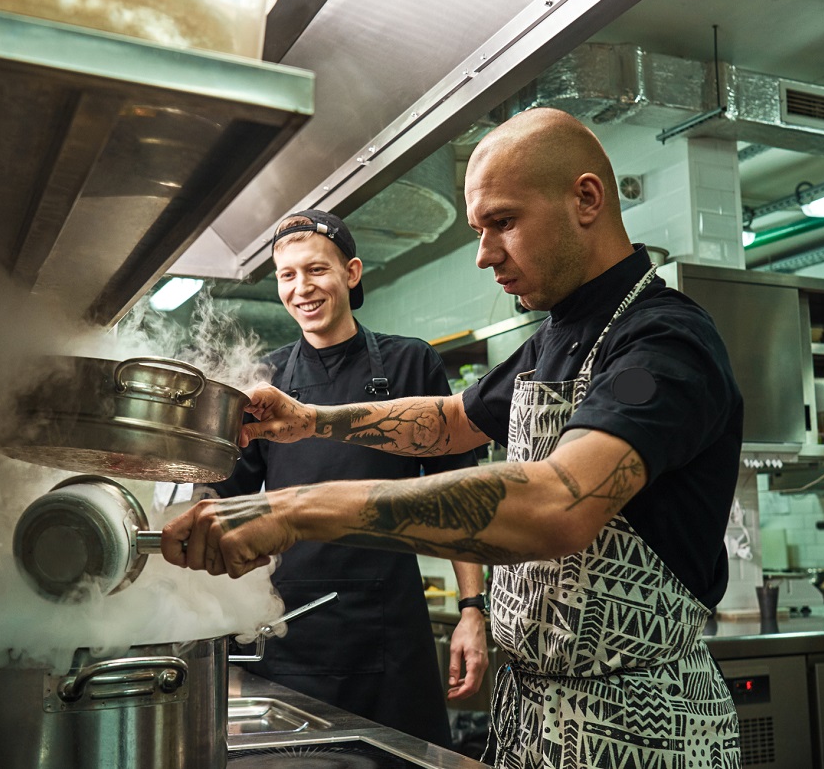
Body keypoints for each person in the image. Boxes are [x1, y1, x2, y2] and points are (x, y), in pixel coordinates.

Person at [161, 108, 745, 769]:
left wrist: (297, 510)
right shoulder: (558, 337)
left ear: (586, 199)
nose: (484, 253)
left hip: (636, 728)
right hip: (534, 715)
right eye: (479, 230)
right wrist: (311, 421)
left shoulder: (662, 344)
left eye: (503, 222)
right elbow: (449, 421)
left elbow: (560, 503)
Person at [197, 208, 488, 747]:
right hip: (288, 626)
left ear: (351, 273)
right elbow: (221, 502)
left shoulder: (410, 363)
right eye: (287, 275)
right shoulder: (264, 380)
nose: (301, 288)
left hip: (390, 628)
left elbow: (459, 493)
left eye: (316, 270)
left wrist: (473, 610)